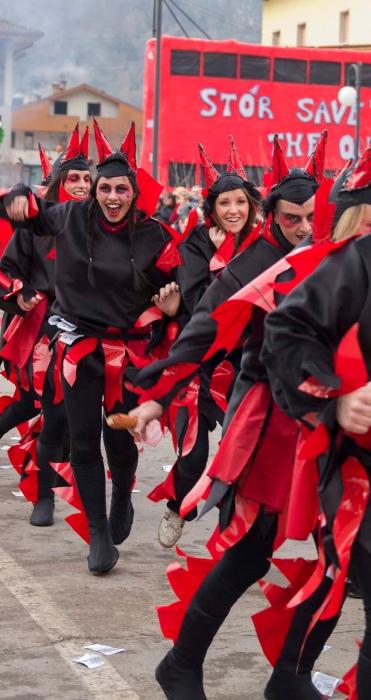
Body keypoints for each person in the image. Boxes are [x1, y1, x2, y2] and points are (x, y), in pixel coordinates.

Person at [128, 133, 330, 700]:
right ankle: (182, 662)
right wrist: (158, 393)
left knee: (343, 559)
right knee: (249, 553)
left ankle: (290, 673)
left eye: (314, 216)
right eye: (293, 218)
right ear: (272, 216)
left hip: (331, 425)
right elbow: (204, 332)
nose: (304, 227)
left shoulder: (336, 254)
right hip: (272, 427)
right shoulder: (253, 267)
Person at [0, 119, 178, 574]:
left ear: (134, 193)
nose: (113, 198)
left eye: (122, 189)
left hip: (128, 352)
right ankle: (98, 534)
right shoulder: (71, 216)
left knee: (117, 436)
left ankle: (122, 495)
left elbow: (182, 287)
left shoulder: (155, 235)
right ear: (94, 191)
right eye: (105, 189)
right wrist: (17, 193)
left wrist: (173, 306)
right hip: (78, 346)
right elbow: (31, 215)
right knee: (81, 441)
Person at [262, 147, 371, 699]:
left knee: (338, 574)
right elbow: (276, 335)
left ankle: (287, 677)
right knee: (255, 553)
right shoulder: (350, 264)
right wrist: (336, 398)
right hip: (335, 457)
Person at [0, 126, 92, 528]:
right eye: (72, 178)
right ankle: (43, 497)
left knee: (70, 418)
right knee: (42, 408)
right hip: (42, 327)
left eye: (86, 178)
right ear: (58, 183)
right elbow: (0, 272)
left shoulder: (101, 225)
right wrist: (19, 295)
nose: (80, 184)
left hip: (88, 331)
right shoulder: (34, 227)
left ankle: (61, 487)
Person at [156, 138, 262, 548]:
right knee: (194, 454)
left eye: (240, 202)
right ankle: (175, 504)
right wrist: (223, 263)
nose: (233, 210)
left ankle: (228, 537)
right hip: (199, 364)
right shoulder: (194, 246)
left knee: (238, 453)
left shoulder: (264, 245)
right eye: (225, 203)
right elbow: (201, 306)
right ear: (212, 209)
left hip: (245, 362)